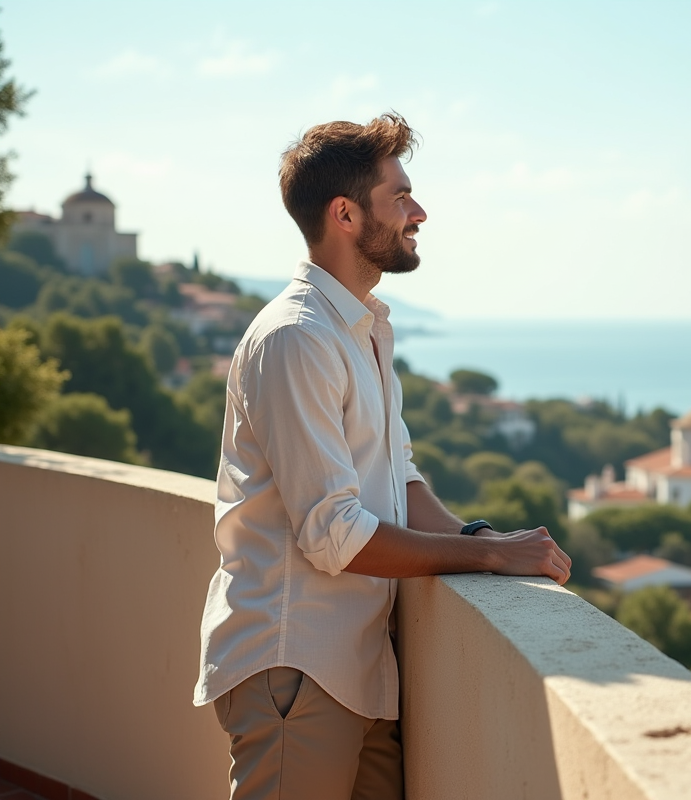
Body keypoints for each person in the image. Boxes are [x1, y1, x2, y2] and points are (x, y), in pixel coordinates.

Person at [193, 112, 571, 800]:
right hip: (296, 667)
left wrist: (480, 535)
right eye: (399, 196)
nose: (418, 212)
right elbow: (334, 534)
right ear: (344, 213)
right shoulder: (297, 338)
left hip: (359, 666)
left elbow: (401, 482)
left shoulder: (365, 331)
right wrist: (488, 559)